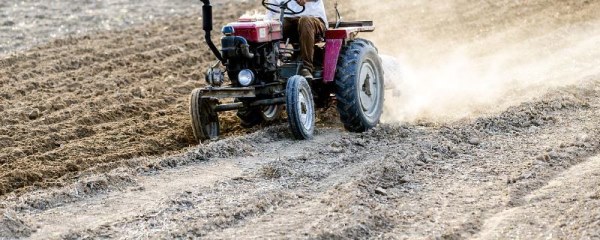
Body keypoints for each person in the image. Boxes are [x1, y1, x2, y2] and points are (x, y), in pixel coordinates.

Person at [266, 0, 328, 79]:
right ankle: (269, 66)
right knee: (273, 27)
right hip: (290, 20)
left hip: (314, 19)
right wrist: (266, 26)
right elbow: (270, 13)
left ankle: (307, 67)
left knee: (305, 21)